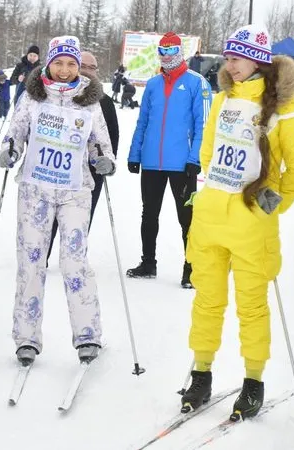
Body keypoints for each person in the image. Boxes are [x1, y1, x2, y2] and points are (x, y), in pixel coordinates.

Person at [180, 25, 294, 420]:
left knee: (251, 305)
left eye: (236, 58)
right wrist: (217, 189)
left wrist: (276, 203)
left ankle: (253, 380)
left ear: (256, 58)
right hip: (211, 219)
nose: (229, 64)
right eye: (227, 57)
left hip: (252, 224)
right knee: (207, 300)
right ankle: (201, 373)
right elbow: (207, 153)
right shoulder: (222, 99)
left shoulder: (286, 108)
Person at [0, 36, 116, 365]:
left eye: (72, 64)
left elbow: (100, 143)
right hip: (35, 188)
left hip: (75, 191)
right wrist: (10, 151)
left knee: (74, 262)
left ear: (79, 67)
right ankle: (26, 337)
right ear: (49, 64)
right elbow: (16, 132)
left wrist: (104, 159)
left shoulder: (89, 100)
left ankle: (88, 334)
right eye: (59, 63)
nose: (65, 70)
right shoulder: (33, 97)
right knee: (31, 262)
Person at [127, 31, 212, 288]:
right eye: (162, 51)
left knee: (187, 217)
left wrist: (194, 158)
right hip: (152, 162)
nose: (166, 56)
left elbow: (204, 125)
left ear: (180, 52)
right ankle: (148, 262)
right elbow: (143, 122)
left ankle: (191, 269)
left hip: (182, 164)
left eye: (171, 51)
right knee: (148, 214)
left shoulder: (197, 83)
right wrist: (135, 153)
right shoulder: (152, 84)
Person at [46, 50, 120, 264]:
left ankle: (73, 259)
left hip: (89, 172)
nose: (87, 71)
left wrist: (107, 162)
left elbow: (112, 136)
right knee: (50, 216)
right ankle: (43, 255)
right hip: (58, 168)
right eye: (83, 66)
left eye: (92, 67)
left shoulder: (104, 101)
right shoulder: (58, 95)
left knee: (81, 218)